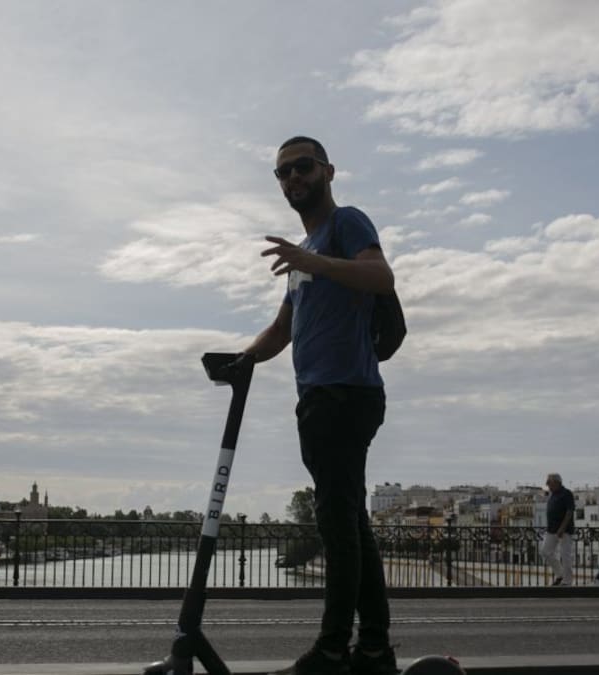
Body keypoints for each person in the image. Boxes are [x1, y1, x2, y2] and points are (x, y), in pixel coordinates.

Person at [240, 136, 397, 675]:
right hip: (317, 396)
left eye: (301, 167)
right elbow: (283, 329)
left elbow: (381, 277)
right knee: (350, 520)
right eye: (281, 173)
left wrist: (315, 259)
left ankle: (333, 650)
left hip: (345, 393)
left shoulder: (346, 223)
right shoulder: (304, 258)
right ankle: (374, 648)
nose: (292, 179)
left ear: (327, 170)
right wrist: (242, 360)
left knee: (336, 521)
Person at [542, 473, 576, 586]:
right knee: (545, 552)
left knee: (565, 555)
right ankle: (560, 574)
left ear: (557, 482)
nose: (547, 484)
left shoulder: (566, 494)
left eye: (549, 482)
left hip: (564, 530)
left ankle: (567, 581)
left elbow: (569, 511)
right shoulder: (552, 494)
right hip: (551, 530)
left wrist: (562, 528)